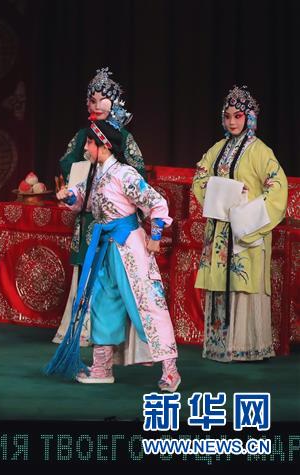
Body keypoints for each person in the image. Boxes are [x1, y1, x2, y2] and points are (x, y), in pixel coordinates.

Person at [48, 117, 180, 392]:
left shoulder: (125, 175)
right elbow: (83, 200)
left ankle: (170, 370)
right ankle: (102, 367)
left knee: (146, 302)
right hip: (105, 246)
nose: (86, 147)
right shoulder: (94, 174)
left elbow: (156, 202)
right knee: (103, 301)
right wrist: (69, 196)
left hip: (129, 245)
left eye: (90, 142)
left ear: (104, 145)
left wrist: (156, 236)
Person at [191, 86, 287, 362]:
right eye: (228, 116)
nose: (232, 122)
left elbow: (278, 186)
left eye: (238, 116)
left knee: (244, 283)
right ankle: (219, 346)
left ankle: (247, 346)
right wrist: (220, 190)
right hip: (221, 229)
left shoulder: (260, 151)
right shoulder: (217, 149)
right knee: (221, 281)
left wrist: (250, 209)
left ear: (250, 118)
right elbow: (199, 176)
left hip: (246, 228)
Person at [53, 67, 146, 346]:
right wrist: (81, 175)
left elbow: (137, 171)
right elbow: (66, 161)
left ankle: (112, 333)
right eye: (91, 101)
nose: (96, 106)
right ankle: (81, 330)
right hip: (87, 214)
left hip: (115, 220)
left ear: (114, 103)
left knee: (112, 276)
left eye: (101, 101)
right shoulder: (83, 135)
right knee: (86, 266)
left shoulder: (123, 138)